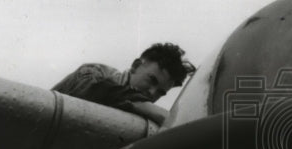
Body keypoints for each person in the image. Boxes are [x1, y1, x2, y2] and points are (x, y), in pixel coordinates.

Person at [52, 43, 195, 125]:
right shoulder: (92, 73)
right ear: (135, 66)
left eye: (160, 92)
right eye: (152, 80)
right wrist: (140, 104)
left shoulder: (146, 115)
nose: (152, 93)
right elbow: (90, 86)